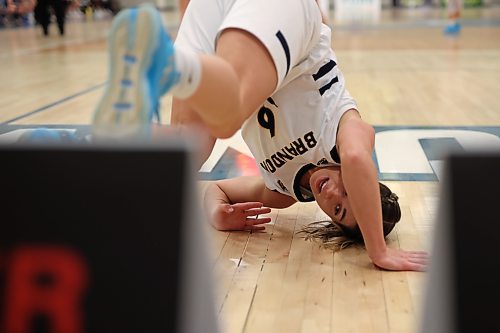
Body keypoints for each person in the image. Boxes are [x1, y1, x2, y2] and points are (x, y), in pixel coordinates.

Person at [92, 1, 428, 272]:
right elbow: (356, 159)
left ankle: (81, 142)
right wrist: (378, 252)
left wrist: (219, 216)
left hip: (220, 20)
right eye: (350, 190)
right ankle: (169, 65)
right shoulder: (349, 131)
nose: (333, 193)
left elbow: (218, 190)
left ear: (329, 220)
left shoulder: (283, 191)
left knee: (186, 149)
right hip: (285, 14)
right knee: (226, 116)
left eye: (338, 210)